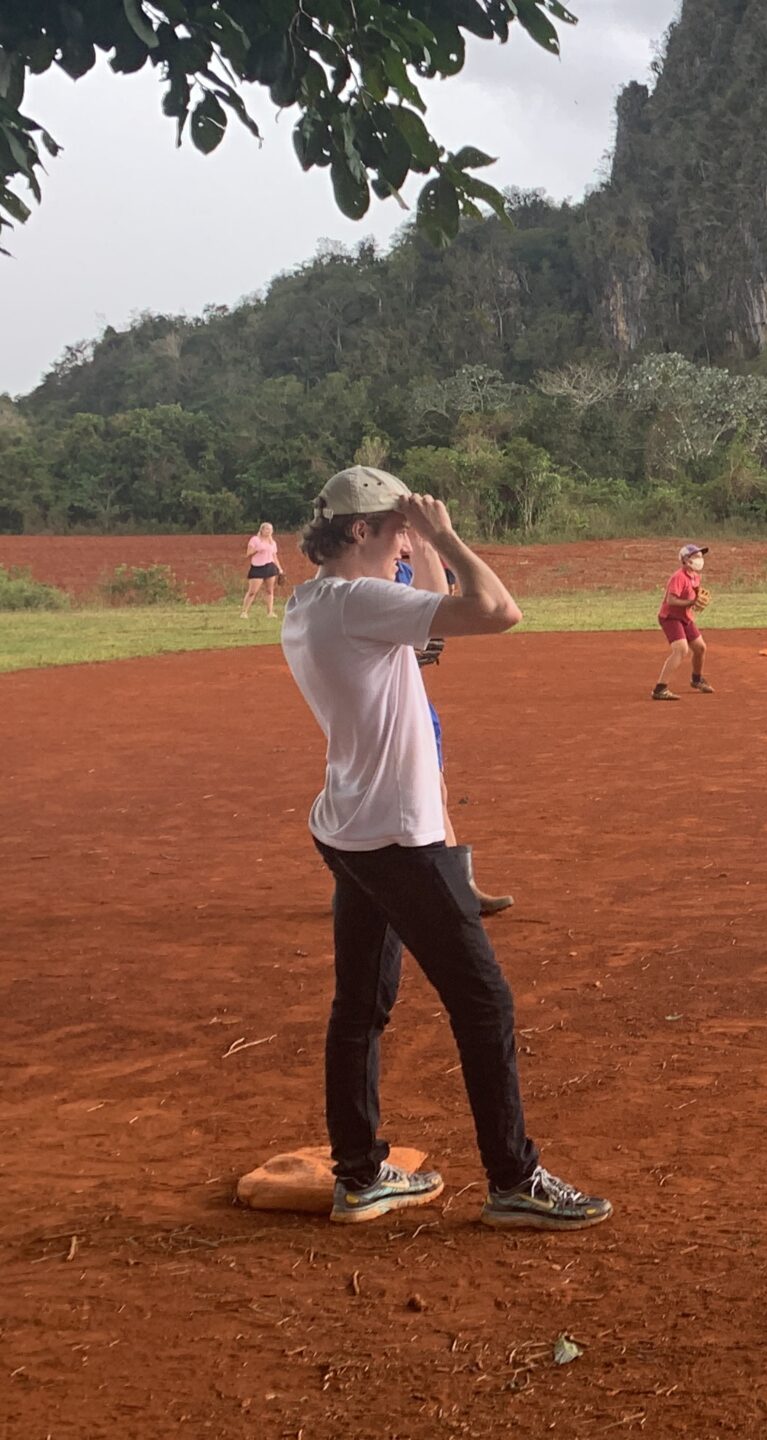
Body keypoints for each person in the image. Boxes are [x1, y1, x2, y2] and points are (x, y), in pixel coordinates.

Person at [281, 465, 610, 1230]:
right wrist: (448, 536)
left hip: (348, 828)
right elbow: (500, 611)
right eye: (396, 528)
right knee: (483, 1000)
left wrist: (418, 546)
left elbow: (433, 633)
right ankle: (513, 1178)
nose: (407, 539)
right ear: (362, 531)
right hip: (398, 838)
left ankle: (360, 1176)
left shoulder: (315, 602)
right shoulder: (362, 602)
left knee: (360, 1006)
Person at [395, 536, 511, 917]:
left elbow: (437, 612)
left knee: (437, 793)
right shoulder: (367, 586)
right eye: (400, 531)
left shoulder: (404, 572)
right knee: (394, 799)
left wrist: (428, 544)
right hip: (390, 711)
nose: (404, 540)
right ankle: (368, 889)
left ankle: (461, 888)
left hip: (416, 704)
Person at [652, 544, 714, 701]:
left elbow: (694, 595)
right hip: (670, 617)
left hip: (685, 617)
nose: (699, 559)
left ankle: (696, 679)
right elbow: (671, 600)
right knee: (681, 649)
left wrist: (696, 599)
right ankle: (660, 688)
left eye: (700, 556)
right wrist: (691, 602)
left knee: (700, 648)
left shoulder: (695, 576)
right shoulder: (678, 577)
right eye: (695, 556)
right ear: (685, 560)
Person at [242, 523, 284, 618]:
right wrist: (257, 550)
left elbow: (274, 556)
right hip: (257, 567)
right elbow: (248, 553)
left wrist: (279, 568)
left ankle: (270, 612)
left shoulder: (272, 543)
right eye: (267, 529)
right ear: (262, 530)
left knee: (270, 591)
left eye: (270, 529)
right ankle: (244, 612)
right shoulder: (255, 540)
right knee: (252, 591)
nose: (269, 531)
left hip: (269, 566)